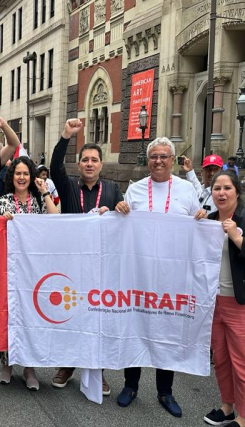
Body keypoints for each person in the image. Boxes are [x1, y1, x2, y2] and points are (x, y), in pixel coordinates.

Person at [115, 136, 207, 418]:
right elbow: (122, 228)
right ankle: (131, 386)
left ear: (172, 160)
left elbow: (198, 224)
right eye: (154, 156)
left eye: (164, 156)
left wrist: (202, 216)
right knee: (136, 326)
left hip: (171, 277)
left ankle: (165, 391)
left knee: (167, 331)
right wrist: (119, 210)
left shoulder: (186, 190)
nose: (158, 161)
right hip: (140, 275)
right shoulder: (135, 190)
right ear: (148, 159)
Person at [49, 119, 123, 394]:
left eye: (94, 160)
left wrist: (121, 209)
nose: (90, 164)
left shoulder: (114, 191)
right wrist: (66, 135)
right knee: (70, 317)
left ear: (101, 165)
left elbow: (123, 226)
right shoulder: (68, 187)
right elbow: (56, 165)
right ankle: (68, 365)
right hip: (72, 266)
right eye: (85, 160)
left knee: (97, 318)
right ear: (79, 165)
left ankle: (97, 371)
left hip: (101, 267)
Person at [0, 156, 58, 390]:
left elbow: (55, 220)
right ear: (11, 177)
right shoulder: (3, 201)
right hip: (10, 268)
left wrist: (45, 193)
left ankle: (29, 367)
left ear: (31, 177)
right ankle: (8, 364)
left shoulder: (39, 201)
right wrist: (2, 220)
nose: (21, 177)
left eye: (25, 173)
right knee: (10, 316)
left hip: (34, 270)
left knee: (32, 317)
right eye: (17, 173)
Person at [204, 170, 245, 427]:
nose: (221, 193)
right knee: (220, 359)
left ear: (237, 192)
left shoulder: (242, 219)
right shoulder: (208, 221)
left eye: (227, 188)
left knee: (241, 363)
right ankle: (227, 407)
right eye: (216, 188)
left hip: (238, 303)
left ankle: (243, 417)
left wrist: (237, 237)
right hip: (213, 303)